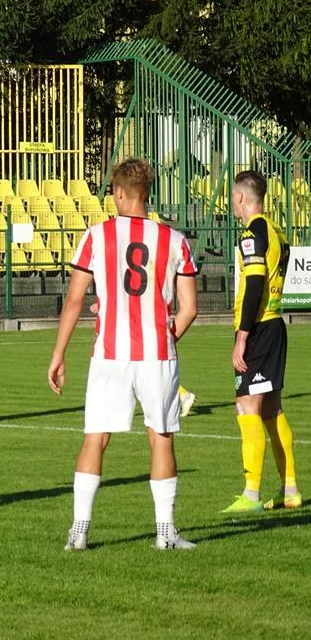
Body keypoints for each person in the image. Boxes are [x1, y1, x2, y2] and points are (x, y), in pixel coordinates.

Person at [47, 158, 199, 550]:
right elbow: (189, 308)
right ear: (146, 195)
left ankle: (79, 531)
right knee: (161, 438)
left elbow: (75, 301)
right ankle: (165, 533)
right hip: (156, 354)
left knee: (95, 438)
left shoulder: (96, 236)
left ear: (118, 193)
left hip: (110, 354)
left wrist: (58, 355)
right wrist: (167, 337)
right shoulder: (174, 240)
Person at [222, 170, 301, 513]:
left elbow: (254, 285)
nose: (233, 204)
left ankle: (250, 494)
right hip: (275, 325)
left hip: (259, 328)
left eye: (233, 198)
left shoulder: (252, 232)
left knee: (246, 406)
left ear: (240, 197)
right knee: (271, 409)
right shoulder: (276, 230)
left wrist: (242, 337)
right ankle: (291, 491)